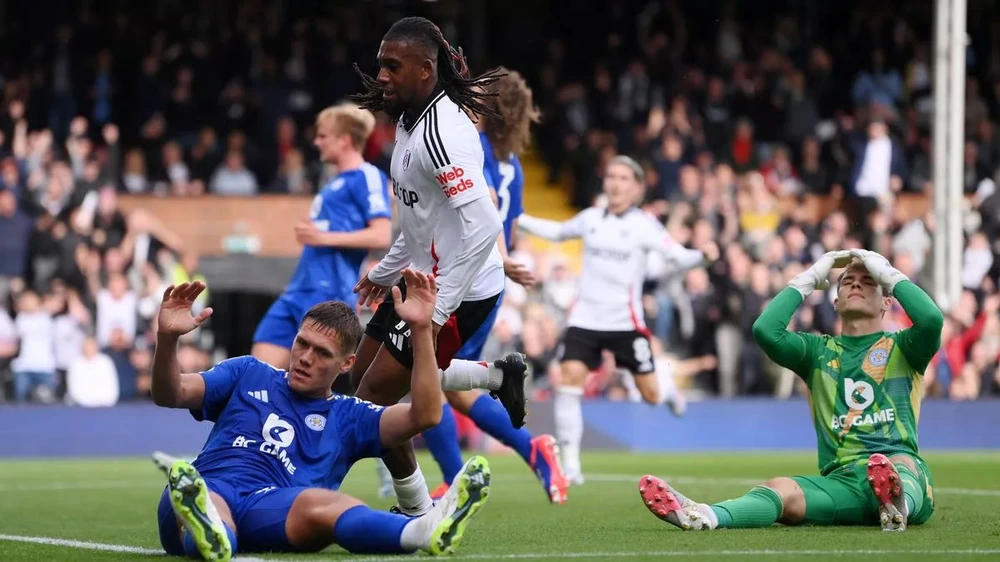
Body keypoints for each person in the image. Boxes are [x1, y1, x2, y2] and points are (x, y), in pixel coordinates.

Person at [151, 272, 491, 560]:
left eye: (322, 353)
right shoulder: (247, 371)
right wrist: (167, 340)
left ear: (346, 364)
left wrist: (420, 331)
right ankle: (208, 524)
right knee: (205, 497)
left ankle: (423, 531)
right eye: (302, 344)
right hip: (214, 483)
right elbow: (171, 393)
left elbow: (426, 415)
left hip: (275, 508)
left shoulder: (351, 415)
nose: (304, 358)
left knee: (323, 503)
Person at [348, 16, 529, 516]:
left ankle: (415, 510)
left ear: (425, 70)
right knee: (355, 382)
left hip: (461, 289)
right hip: (419, 279)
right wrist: (386, 272)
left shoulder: (441, 134)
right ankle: (495, 378)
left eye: (392, 66)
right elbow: (418, 221)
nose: (381, 75)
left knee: (371, 402)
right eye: (381, 63)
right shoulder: (408, 123)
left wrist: (438, 308)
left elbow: (485, 226)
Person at [639, 250, 942, 532]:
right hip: (843, 483)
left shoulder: (904, 347)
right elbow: (765, 330)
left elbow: (931, 319)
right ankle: (705, 514)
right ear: (835, 303)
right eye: (847, 282)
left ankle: (898, 503)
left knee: (898, 466)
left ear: (887, 302)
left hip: (903, 468)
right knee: (781, 488)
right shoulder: (817, 351)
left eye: (868, 281)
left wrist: (889, 273)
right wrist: (809, 276)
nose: (855, 285)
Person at [421, 68, 569, 504]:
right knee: (449, 388)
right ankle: (529, 449)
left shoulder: (471, 146)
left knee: (428, 378)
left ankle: (454, 478)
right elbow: (514, 226)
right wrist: (504, 260)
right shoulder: (514, 166)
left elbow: (482, 203)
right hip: (489, 280)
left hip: (462, 270)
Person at [517, 155, 707, 484]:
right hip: (585, 319)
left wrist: (704, 256)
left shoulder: (644, 225)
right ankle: (572, 465)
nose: (615, 183)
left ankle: (668, 392)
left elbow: (677, 256)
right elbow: (559, 231)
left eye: (623, 178)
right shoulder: (591, 218)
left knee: (649, 395)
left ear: (635, 188)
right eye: (611, 176)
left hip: (625, 323)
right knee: (569, 380)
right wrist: (519, 218)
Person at [252, 103, 393, 369]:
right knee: (258, 375)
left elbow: (381, 234)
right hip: (299, 290)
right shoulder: (334, 181)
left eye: (323, 135)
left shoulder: (368, 176)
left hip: (329, 293)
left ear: (345, 140)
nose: (316, 142)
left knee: (306, 382)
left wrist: (322, 237)